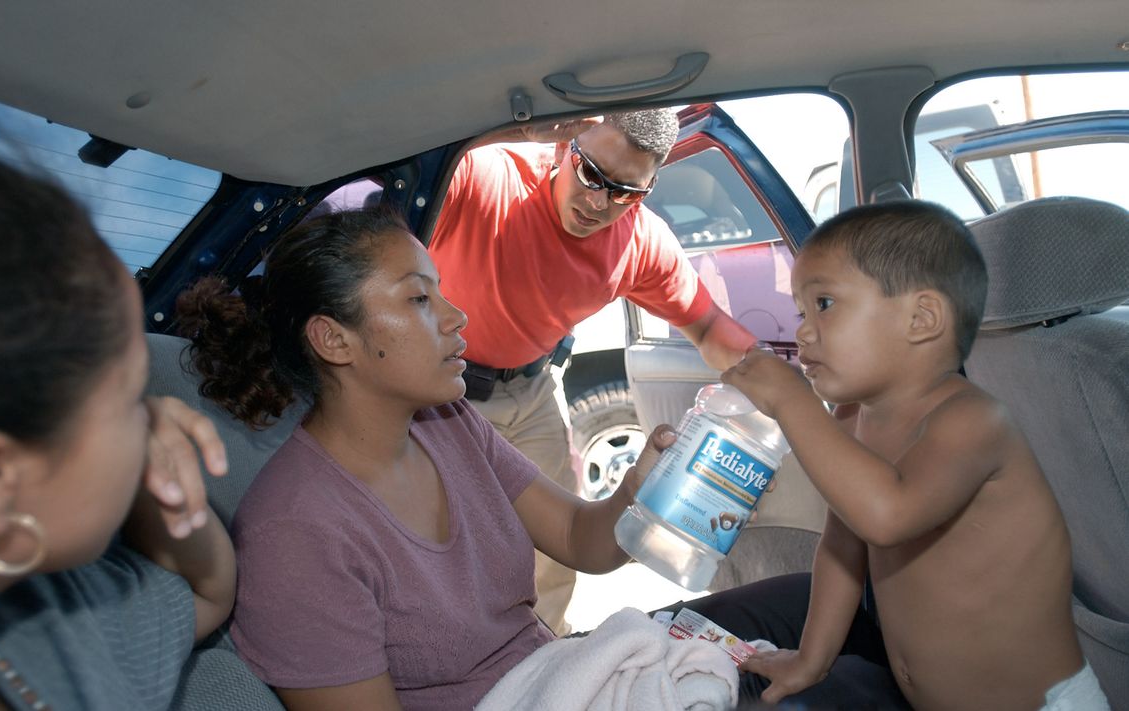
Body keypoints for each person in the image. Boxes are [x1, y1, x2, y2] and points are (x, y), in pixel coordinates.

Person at [175, 207, 718, 710]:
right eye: (418, 299)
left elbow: (580, 536)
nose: (457, 316)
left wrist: (642, 487)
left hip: (558, 678)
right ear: (333, 340)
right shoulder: (294, 533)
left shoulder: (450, 425)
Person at [707, 201, 1107, 709]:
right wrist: (811, 659)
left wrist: (791, 400)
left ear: (921, 319)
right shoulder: (853, 416)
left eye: (824, 304)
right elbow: (842, 545)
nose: (804, 330)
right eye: (801, 313)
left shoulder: (972, 421)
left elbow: (888, 517)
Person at [428, 108, 760, 635]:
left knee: (554, 558)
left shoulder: (640, 241)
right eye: (590, 175)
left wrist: (785, 391)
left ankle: (543, 659)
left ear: (649, 187)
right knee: (441, 550)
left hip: (534, 390)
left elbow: (711, 329)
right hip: (436, 393)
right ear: (563, 147)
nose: (599, 203)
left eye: (625, 191)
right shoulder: (485, 176)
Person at [0, 157, 237, 709]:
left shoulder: (56, 618)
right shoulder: (56, 620)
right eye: (133, 400)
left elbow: (207, 593)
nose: (155, 423)